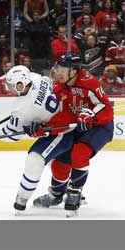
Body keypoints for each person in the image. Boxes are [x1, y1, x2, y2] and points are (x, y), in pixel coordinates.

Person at [0, 65, 76, 213]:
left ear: (21, 84)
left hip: (60, 131)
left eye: (13, 86)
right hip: (65, 118)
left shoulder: (21, 109)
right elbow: (50, 83)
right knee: (61, 165)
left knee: (35, 160)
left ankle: (22, 199)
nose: (11, 89)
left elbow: (12, 134)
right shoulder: (36, 78)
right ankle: (70, 190)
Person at [33, 52, 114, 215]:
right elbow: (60, 115)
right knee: (60, 162)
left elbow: (106, 108)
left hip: (99, 126)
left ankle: (75, 191)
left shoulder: (88, 82)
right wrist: (42, 126)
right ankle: (56, 194)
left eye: (64, 69)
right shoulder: (59, 87)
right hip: (77, 126)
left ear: (74, 71)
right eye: (58, 68)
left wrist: (92, 114)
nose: (59, 72)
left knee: (79, 154)